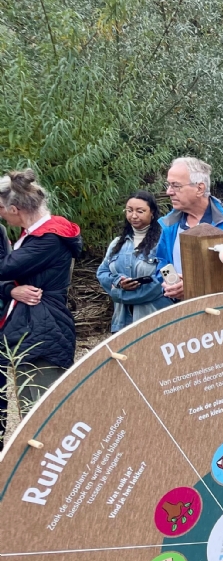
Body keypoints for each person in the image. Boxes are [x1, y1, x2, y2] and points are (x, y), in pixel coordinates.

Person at [0, 170, 83, 406]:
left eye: (1, 208)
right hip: (35, 325)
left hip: (42, 330)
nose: (2, 215)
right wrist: (11, 290)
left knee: (41, 412)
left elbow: (5, 269)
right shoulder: (37, 236)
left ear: (14, 209)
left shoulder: (48, 239)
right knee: (32, 405)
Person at [157, 156, 223, 300]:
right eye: (168, 185)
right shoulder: (169, 224)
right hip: (181, 310)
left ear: (200, 188)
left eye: (176, 186)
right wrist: (170, 283)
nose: (169, 191)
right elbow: (161, 262)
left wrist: (195, 287)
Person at [97, 191, 171, 332]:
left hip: (155, 320)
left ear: (152, 213)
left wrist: (120, 295)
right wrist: (119, 282)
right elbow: (102, 273)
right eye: (129, 210)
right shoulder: (117, 244)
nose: (134, 216)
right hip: (122, 322)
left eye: (140, 211)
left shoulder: (163, 243)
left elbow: (166, 279)